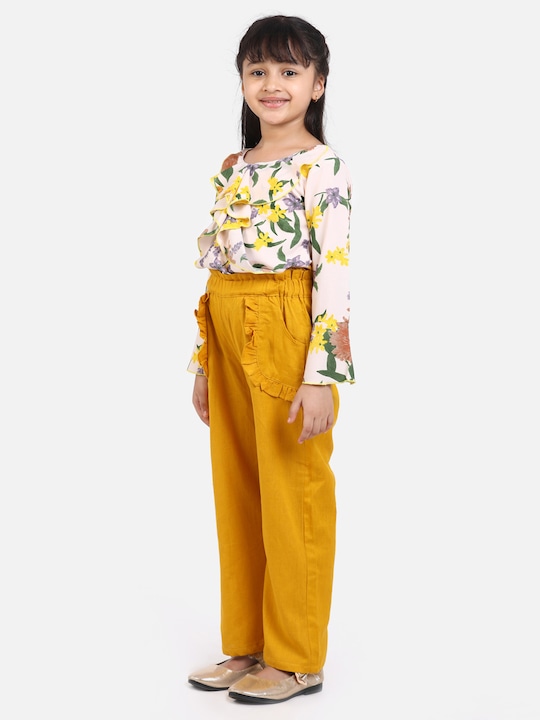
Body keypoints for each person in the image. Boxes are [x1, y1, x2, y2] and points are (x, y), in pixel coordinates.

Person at [186, 14, 355, 705]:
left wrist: (322, 375)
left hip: (285, 323)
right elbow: (217, 264)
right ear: (242, 81)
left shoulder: (322, 166)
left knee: (294, 492)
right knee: (237, 491)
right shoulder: (234, 167)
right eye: (257, 70)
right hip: (227, 323)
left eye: (289, 70)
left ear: (318, 83)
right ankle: (248, 643)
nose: (272, 83)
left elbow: (334, 272)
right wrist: (204, 360)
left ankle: (296, 658)